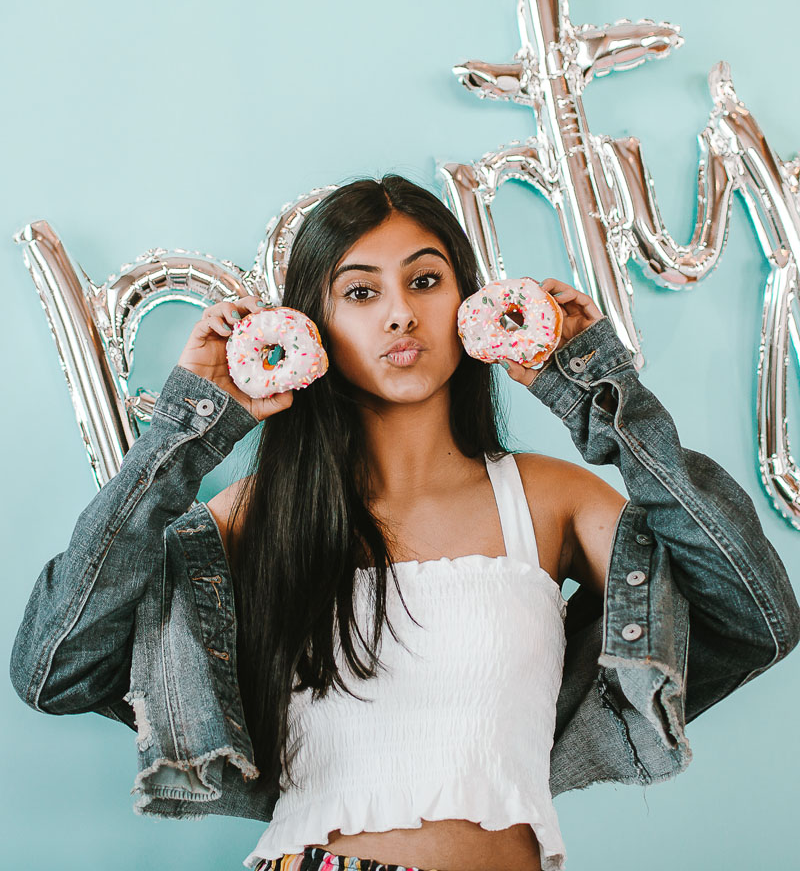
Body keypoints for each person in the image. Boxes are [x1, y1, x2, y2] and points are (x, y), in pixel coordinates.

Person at [10, 175, 800, 871]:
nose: (399, 316)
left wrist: (599, 396)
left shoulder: (550, 502)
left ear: (469, 304)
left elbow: (758, 615)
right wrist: (190, 433)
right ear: (311, 328)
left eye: (425, 281)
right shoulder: (255, 516)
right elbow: (54, 667)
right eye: (361, 293)